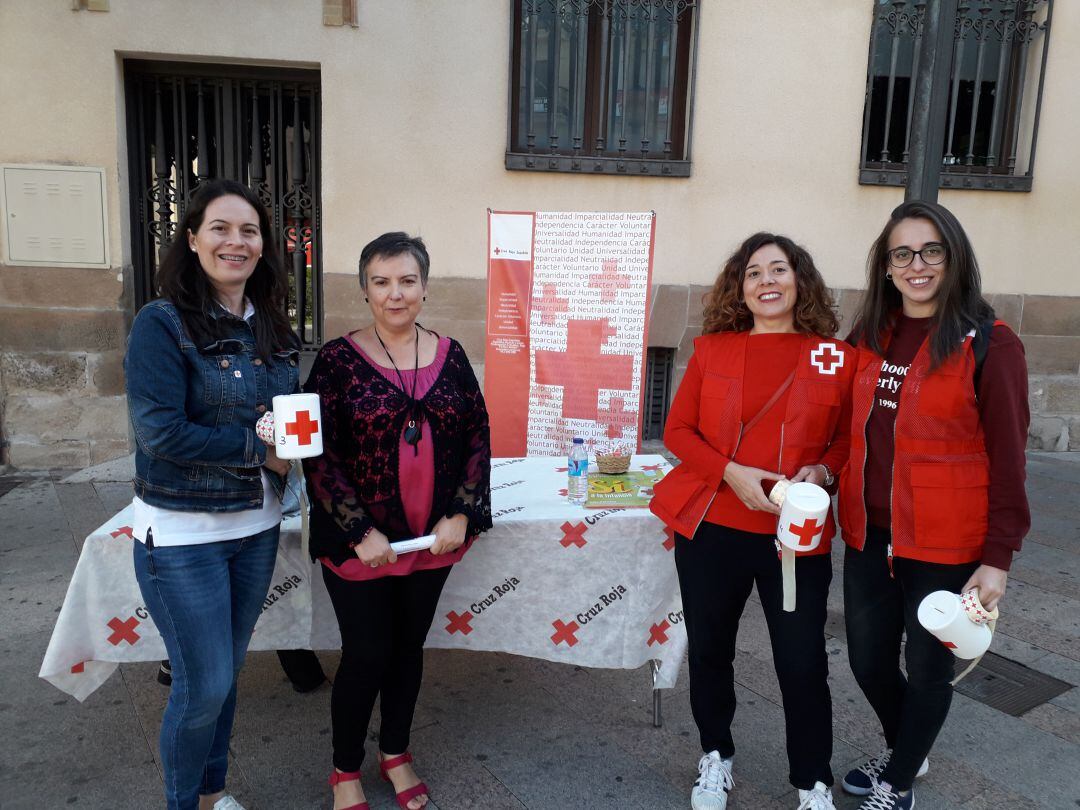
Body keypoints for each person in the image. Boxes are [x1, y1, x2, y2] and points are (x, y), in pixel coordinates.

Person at [650, 233, 855, 810]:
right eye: (753, 273)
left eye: (779, 269)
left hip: (796, 540)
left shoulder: (832, 354)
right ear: (739, 289)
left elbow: (844, 438)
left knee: (802, 661)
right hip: (713, 531)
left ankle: (812, 781)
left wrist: (824, 469)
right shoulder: (714, 349)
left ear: (800, 280)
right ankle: (716, 754)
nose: (767, 281)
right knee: (712, 650)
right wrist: (731, 473)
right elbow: (678, 433)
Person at [838, 201, 1030, 810]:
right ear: (886, 266)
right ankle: (908, 753)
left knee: (927, 672)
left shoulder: (991, 345)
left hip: (947, 543)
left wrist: (997, 557)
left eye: (931, 251)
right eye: (902, 253)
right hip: (870, 533)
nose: (916, 265)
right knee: (868, 662)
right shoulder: (870, 334)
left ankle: (896, 782)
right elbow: (840, 421)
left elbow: (1009, 457)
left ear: (954, 257)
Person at [125, 180, 300, 810]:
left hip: (255, 528)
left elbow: (284, 417)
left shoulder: (274, 327)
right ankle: (182, 803)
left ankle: (212, 794)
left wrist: (301, 449)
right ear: (193, 238)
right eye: (221, 228)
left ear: (263, 247)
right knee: (203, 686)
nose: (236, 241)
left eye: (249, 231)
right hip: (182, 536)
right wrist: (261, 450)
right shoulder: (161, 323)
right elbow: (159, 431)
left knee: (224, 682)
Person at [303, 232, 492, 810]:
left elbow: (478, 436)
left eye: (406, 281)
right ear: (364, 290)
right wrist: (360, 530)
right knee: (366, 654)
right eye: (381, 282)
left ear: (424, 287)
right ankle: (345, 770)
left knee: (409, 650)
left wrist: (462, 511)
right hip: (362, 546)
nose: (395, 293)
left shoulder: (452, 355)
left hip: (431, 542)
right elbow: (319, 454)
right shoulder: (335, 361)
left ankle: (396, 753)